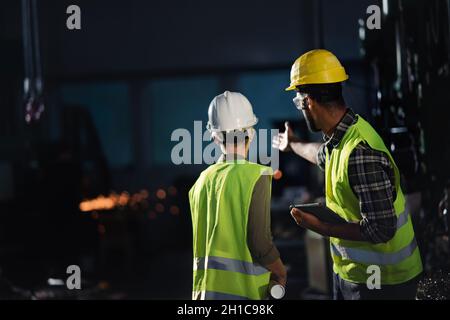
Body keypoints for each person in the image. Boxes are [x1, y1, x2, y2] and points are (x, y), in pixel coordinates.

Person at [273, 49, 423, 300]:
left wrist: (321, 226)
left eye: (298, 102)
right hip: (353, 275)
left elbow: (381, 229)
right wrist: (293, 144)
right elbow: (320, 154)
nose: (300, 108)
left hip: (383, 283)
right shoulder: (341, 135)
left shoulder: (360, 152)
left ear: (308, 101)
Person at [189, 91, 286, 300]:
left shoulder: (200, 182)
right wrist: (280, 271)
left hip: (205, 295)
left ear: (215, 137)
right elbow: (260, 245)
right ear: (251, 133)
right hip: (244, 294)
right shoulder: (256, 176)